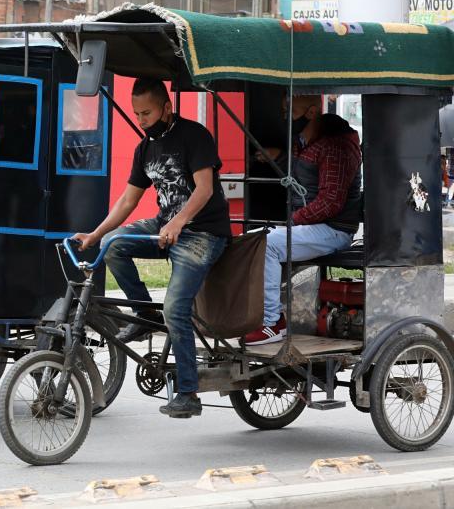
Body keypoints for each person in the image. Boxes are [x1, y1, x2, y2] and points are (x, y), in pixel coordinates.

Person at [71, 78, 230, 419]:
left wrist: (179, 222)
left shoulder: (194, 136)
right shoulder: (145, 148)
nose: (141, 120)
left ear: (166, 108)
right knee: (115, 246)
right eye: (136, 113)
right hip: (165, 226)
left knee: (175, 307)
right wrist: (97, 235)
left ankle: (188, 393)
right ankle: (144, 315)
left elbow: (204, 190)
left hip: (203, 233)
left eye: (146, 112)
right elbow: (129, 200)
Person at [245, 96, 362, 345]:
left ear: (310, 112)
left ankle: (272, 322)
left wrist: (292, 221)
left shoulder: (337, 146)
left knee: (266, 244)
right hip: (311, 226)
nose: (286, 116)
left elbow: (331, 201)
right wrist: (279, 158)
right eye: (284, 110)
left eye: (291, 111)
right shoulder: (306, 142)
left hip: (334, 230)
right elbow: (305, 170)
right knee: (251, 240)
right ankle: (253, 315)